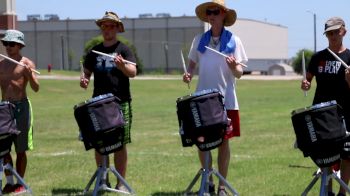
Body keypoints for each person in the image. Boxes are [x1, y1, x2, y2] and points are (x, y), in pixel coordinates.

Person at [183, 0, 248, 195]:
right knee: (202, 141)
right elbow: (192, 64)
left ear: (223, 15)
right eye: (209, 12)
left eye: (215, 11)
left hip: (226, 100)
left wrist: (233, 66)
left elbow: (239, 73)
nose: (211, 15)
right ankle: (208, 180)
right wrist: (188, 73)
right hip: (202, 99)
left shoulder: (234, 40)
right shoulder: (199, 39)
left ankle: (221, 186)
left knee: (224, 143)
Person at [80, 11, 137, 190]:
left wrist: (122, 66)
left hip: (120, 102)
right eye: (104, 26)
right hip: (98, 104)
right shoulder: (94, 51)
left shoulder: (124, 49)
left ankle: (120, 183)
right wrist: (84, 79)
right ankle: (102, 179)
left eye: (111, 26)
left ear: (117, 28)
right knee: (100, 144)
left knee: (120, 144)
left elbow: (133, 72)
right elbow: (86, 72)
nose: (107, 29)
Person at [301, 17, 350, 196]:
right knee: (327, 154)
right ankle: (327, 190)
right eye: (329, 33)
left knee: (346, 154)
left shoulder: (349, 57)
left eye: (336, 32)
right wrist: (305, 84)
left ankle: (342, 192)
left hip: (344, 112)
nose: (333, 36)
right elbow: (307, 79)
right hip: (321, 113)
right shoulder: (318, 57)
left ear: (343, 32)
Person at [0, 29, 39, 194]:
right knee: (3, 149)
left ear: (20, 45)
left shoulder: (27, 63)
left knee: (20, 149)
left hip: (22, 107)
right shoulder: (1, 64)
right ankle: (9, 183)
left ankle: (20, 183)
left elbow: (36, 88)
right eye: (5, 43)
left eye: (12, 44)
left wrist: (29, 76)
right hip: (4, 108)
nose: (8, 47)